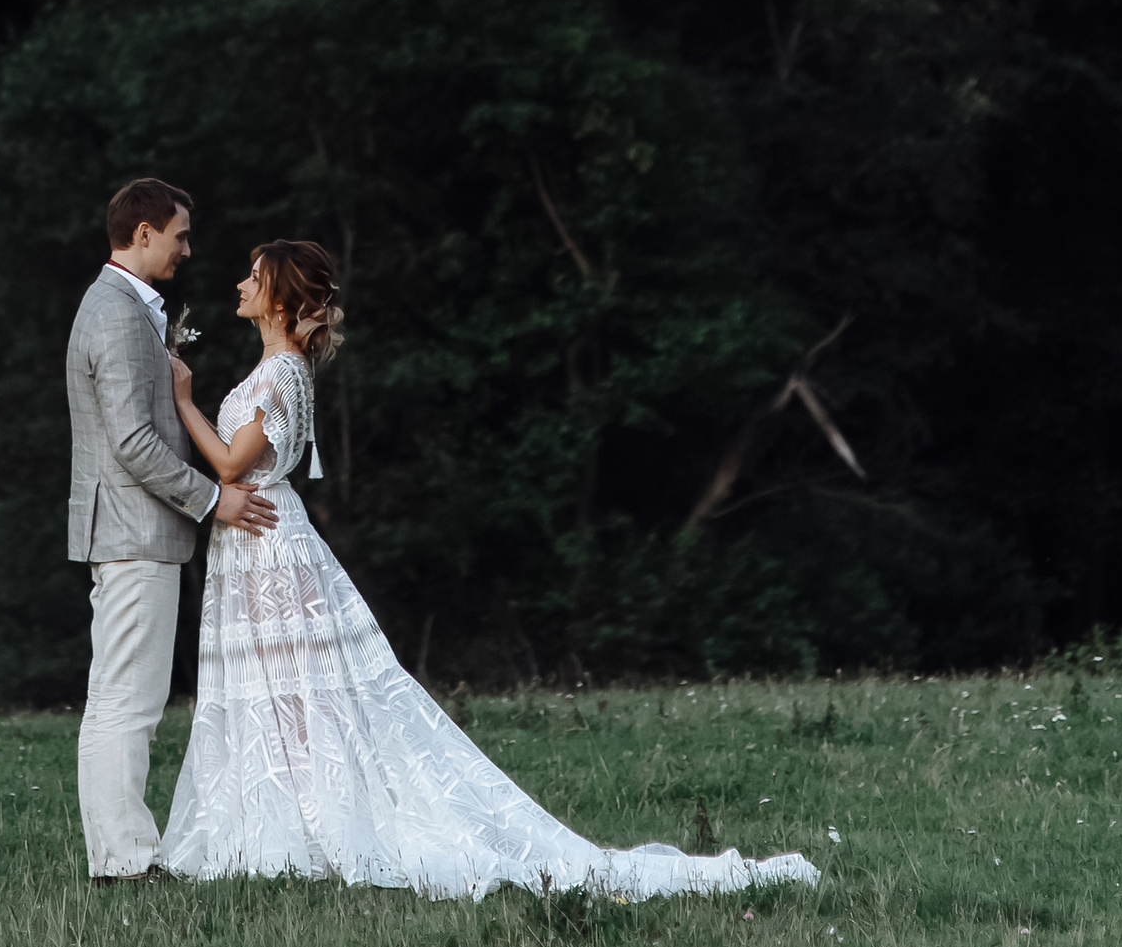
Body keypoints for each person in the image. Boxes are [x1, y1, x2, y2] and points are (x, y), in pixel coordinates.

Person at [159, 238, 822, 903]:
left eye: (254, 276)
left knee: (302, 689)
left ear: (279, 299)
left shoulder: (282, 373)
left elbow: (231, 463)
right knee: (276, 688)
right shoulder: (273, 367)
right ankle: (288, 822)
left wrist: (184, 399)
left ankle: (317, 823)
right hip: (251, 540)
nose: (240, 283)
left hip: (269, 541)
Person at [66, 175, 278, 880]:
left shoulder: (122, 306)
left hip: (130, 530)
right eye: (180, 235)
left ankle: (118, 856)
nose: (187, 249)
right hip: (132, 531)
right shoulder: (117, 312)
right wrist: (212, 499)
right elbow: (131, 440)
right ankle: (125, 861)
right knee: (128, 701)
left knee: (122, 697)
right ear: (144, 232)